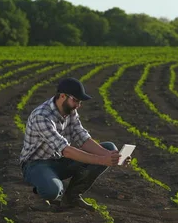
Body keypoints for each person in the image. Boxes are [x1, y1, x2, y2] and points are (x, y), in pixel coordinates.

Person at [19, 77, 131, 212]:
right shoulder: (42, 116)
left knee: (109, 147)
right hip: (36, 164)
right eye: (76, 100)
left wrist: (112, 156)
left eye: (80, 101)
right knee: (52, 190)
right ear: (62, 96)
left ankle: (72, 197)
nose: (78, 105)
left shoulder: (70, 111)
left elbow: (83, 139)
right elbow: (66, 150)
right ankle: (42, 189)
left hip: (59, 161)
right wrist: (101, 159)